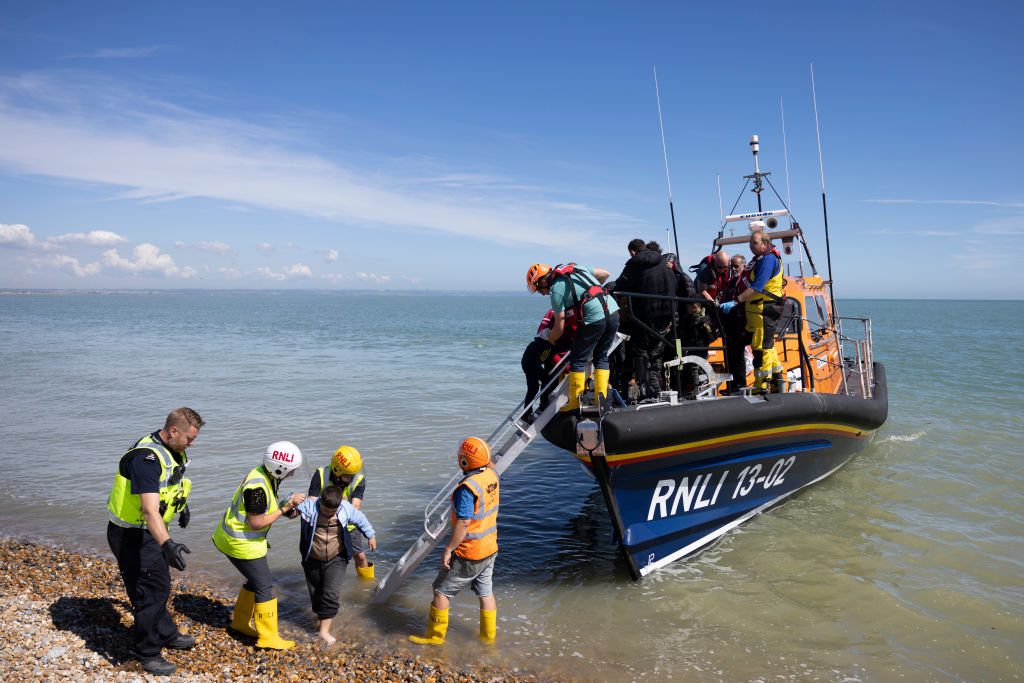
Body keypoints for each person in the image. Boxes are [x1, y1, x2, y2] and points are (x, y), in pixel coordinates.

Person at [106, 407, 204, 676]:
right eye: (190, 438)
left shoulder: (172, 448)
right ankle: (146, 652)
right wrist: (167, 544)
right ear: (174, 431)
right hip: (133, 534)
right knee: (152, 591)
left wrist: (180, 505)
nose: (192, 444)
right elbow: (149, 511)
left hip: (149, 531)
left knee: (158, 585)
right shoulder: (147, 459)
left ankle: (165, 632)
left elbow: (169, 484)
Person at [212, 441, 307, 650]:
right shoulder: (257, 487)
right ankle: (268, 636)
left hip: (237, 540)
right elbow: (256, 523)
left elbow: (266, 509)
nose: (291, 475)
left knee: (256, 581)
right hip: (240, 543)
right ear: (279, 468)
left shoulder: (265, 476)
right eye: (290, 471)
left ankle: (239, 623)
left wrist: (290, 507)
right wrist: (285, 509)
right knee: (264, 584)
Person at [409, 437, 499, 646]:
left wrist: (449, 548)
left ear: (465, 463)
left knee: (440, 591)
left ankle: (435, 638)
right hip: (490, 548)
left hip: (470, 552)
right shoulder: (491, 474)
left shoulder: (467, 489)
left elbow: (464, 522)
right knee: (486, 592)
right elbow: (488, 461)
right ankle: (488, 639)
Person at [526, 261, 620, 411]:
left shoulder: (556, 289)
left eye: (539, 289)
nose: (541, 293)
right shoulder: (577, 268)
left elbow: (559, 327)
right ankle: (601, 402)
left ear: (544, 281)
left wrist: (550, 342)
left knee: (577, 359)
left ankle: (574, 404)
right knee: (601, 357)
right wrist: (589, 293)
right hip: (613, 312)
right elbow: (605, 274)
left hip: (594, 317)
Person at [296, 484, 377, 645]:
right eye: (326, 511)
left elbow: (361, 519)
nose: (328, 514)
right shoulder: (310, 506)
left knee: (331, 593)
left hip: (337, 558)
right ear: (320, 502)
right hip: (312, 559)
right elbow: (288, 510)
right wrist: (291, 499)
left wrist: (371, 536)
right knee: (317, 595)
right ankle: (322, 621)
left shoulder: (345, 508)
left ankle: (324, 632)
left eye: (332, 512)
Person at [611, 238, 678, 399]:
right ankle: (655, 387)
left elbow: (621, 285)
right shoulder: (663, 264)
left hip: (645, 315)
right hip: (666, 315)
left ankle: (645, 391)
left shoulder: (634, 263)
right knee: (656, 352)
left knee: (639, 350)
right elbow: (674, 284)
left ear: (633, 251)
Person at [721, 230, 785, 393]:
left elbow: (757, 287)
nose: (751, 245)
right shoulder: (760, 259)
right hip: (756, 310)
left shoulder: (767, 260)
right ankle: (778, 379)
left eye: (754, 242)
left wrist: (735, 301)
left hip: (763, 309)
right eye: (750, 242)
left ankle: (761, 385)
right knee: (767, 346)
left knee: (760, 347)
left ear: (765, 243)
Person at [308, 446, 375, 581]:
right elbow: (311, 503)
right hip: (324, 524)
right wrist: (336, 502)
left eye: (353, 474)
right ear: (337, 471)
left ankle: (366, 585)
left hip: (348, 524)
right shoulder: (320, 475)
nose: (352, 478)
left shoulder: (358, 480)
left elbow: (355, 507)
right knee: (325, 558)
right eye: (348, 476)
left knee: (360, 556)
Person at [520, 308, 575, 417]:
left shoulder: (553, 338)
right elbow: (564, 344)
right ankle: (526, 415)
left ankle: (543, 404)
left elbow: (563, 345)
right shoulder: (549, 335)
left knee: (546, 379)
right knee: (533, 388)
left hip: (535, 363)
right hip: (529, 362)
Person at [720, 254, 750, 393]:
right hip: (729, 322)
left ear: (743, 266)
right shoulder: (731, 282)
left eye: (736, 266)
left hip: (740, 323)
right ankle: (732, 385)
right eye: (731, 265)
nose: (733, 268)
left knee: (738, 355)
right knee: (730, 355)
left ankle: (741, 383)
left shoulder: (744, 282)